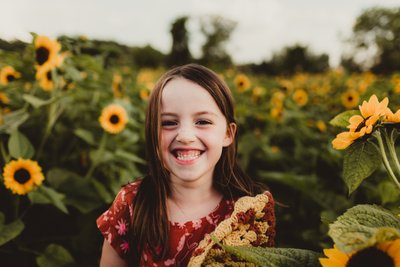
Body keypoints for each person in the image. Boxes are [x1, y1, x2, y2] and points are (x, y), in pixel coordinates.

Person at [97, 63, 276, 266]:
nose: (185, 136)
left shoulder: (248, 213)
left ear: (228, 134)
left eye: (202, 122)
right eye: (168, 123)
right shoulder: (132, 203)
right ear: (152, 134)